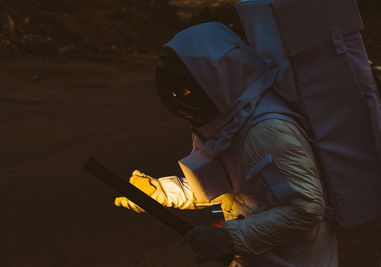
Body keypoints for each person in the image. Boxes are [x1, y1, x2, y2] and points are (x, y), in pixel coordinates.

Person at [115, 22, 338, 266]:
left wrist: (231, 236)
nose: (184, 97)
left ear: (218, 77)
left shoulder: (267, 131)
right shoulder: (224, 125)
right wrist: (159, 192)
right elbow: (217, 188)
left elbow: (306, 208)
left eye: (189, 90)